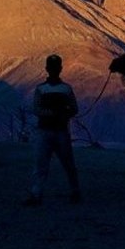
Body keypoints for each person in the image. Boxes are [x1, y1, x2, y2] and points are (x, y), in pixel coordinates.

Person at [25, 54, 80, 206]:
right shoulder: (57, 89)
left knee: (64, 164)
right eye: (53, 68)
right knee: (44, 165)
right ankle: (37, 194)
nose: (54, 70)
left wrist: (61, 113)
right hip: (49, 131)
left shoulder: (49, 89)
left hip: (55, 131)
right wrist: (57, 113)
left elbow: (73, 108)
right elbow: (37, 109)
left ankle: (73, 192)